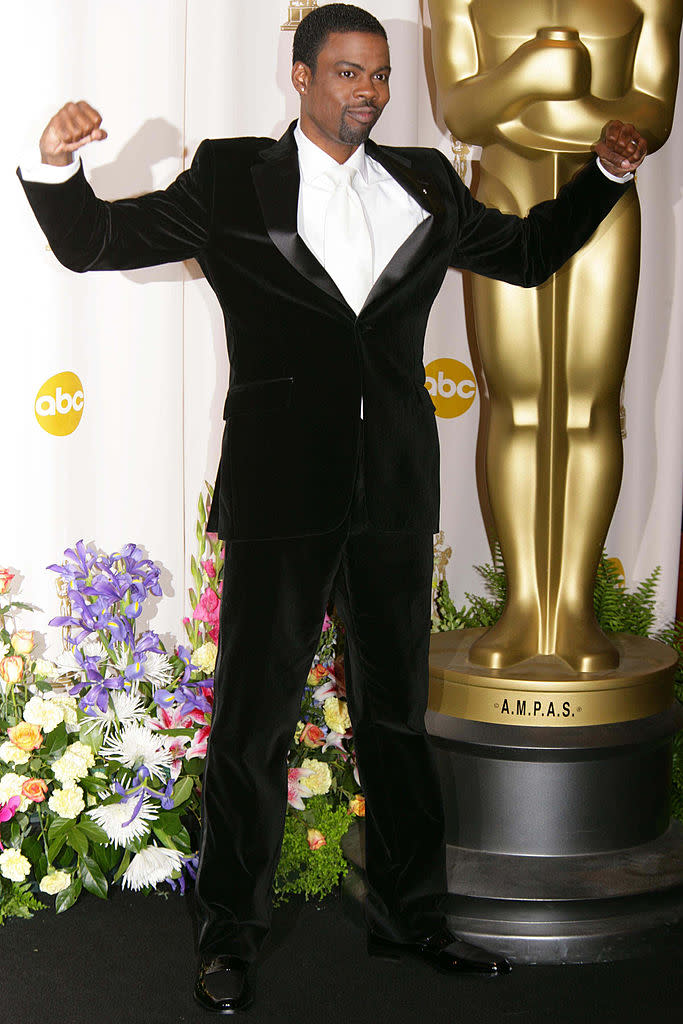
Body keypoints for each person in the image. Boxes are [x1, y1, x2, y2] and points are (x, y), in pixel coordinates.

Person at [18, 3, 645, 1015]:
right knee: (250, 725)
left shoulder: (427, 182)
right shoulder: (229, 177)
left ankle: (412, 917)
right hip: (278, 491)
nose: (369, 91)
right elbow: (95, 241)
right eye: (348, 71)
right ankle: (227, 936)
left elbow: (526, 256)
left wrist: (604, 181)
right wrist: (56, 166)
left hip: (392, 488)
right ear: (300, 76)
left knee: (395, 717)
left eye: (381, 75)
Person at [428, 0, 679, 672]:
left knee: (590, 403)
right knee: (513, 400)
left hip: (604, 202)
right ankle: (522, 603)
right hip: (503, 194)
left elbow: (653, 112)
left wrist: (537, 108)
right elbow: (461, 111)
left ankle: (572, 606)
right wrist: (532, 71)